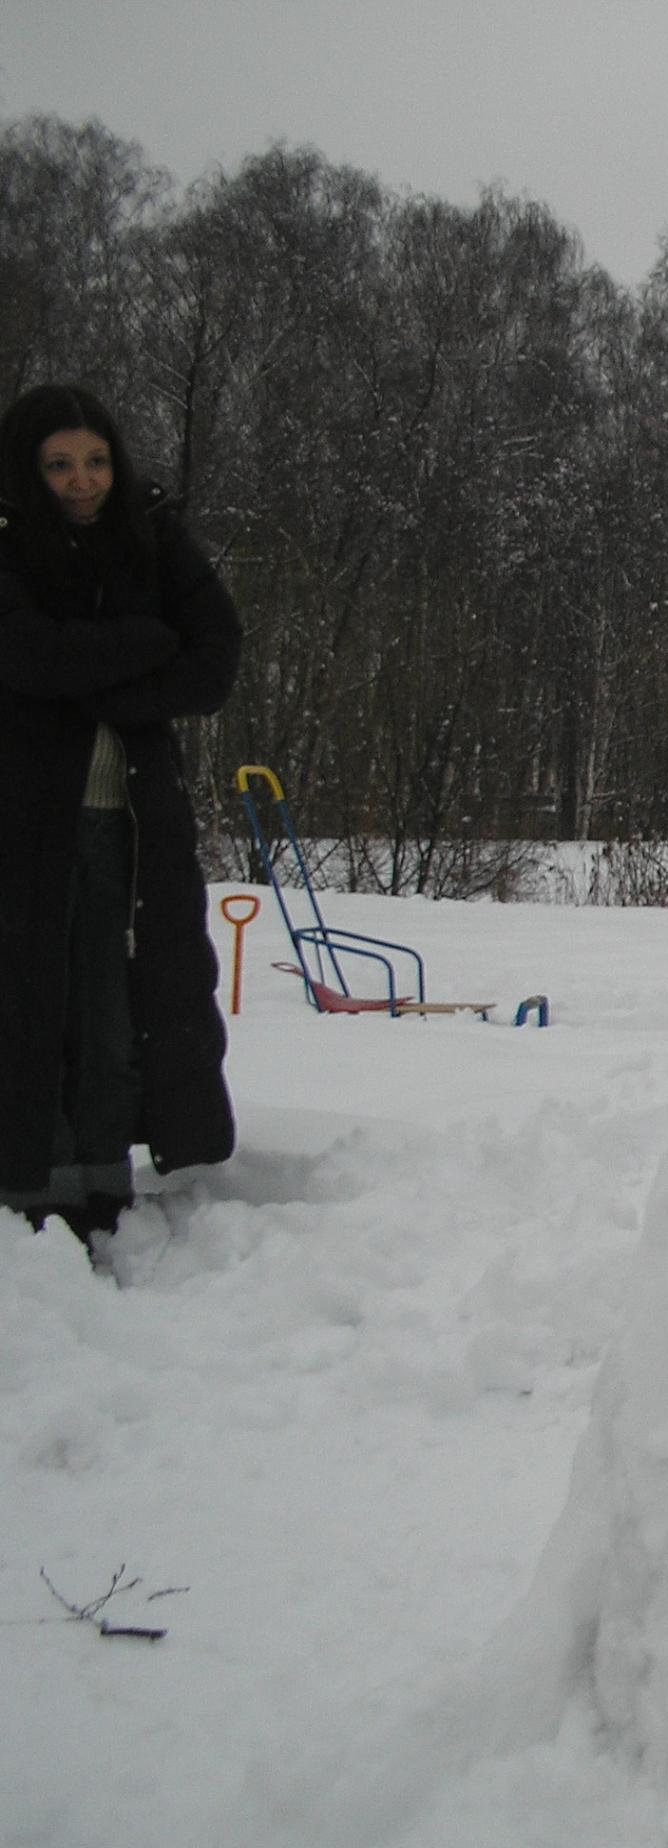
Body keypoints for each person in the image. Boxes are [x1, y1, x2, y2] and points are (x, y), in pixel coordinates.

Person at [0, 383, 241, 1249]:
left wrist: (79, 675)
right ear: (31, 468)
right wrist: (145, 642)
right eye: (60, 464)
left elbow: (215, 658)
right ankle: (27, 1185)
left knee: (117, 1010)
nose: (82, 480)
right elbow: (24, 651)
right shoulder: (8, 539)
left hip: (132, 819)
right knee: (29, 1006)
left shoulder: (151, 532)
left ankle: (101, 1185)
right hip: (24, 821)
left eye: (96, 459)